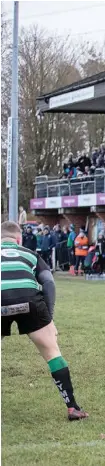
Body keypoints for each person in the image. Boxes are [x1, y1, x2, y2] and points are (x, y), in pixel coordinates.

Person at [1, 221, 88, 421]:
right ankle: (72, 408)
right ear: (19, 239)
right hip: (30, 300)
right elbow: (48, 282)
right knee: (51, 351)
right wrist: (49, 317)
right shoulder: (30, 254)